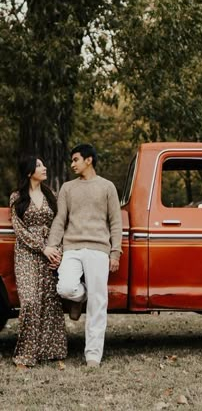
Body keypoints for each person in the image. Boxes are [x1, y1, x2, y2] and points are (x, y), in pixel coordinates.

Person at [43, 143, 122, 368]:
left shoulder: (107, 187)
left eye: (76, 159)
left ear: (89, 160)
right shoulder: (68, 188)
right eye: (72, 160)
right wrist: (52, 245)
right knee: (66, 287)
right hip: (72, 247)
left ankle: (93, 356)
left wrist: (115, 252)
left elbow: (115, 222)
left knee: (99, 303)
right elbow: (60, 220)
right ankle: (82, 295)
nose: (72, 164)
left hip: (99, 249)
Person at [9, 156, 67, 371]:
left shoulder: (51, 194)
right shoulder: (17, 197)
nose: (44, 168)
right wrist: (43, 248)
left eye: (44, 164)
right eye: (39, 165)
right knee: (31, 301)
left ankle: (51, 351)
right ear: (28, 171)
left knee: (50, 301)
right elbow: (19, 229)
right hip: (27, 254)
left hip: (50, 254)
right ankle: (24, 355)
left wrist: (57, 251)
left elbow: (60, 224)